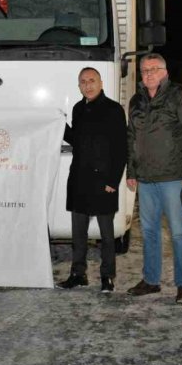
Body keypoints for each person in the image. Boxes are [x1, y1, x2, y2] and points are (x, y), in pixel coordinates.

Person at [125, 53, 182, 303]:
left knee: (179, 233)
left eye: (154, 69)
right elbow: (131, 137)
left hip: (174, 178)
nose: (149, 74)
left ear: (165, 72)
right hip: (146, 179)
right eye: (145, 70)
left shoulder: (180, 95)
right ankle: (151, 280)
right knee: (149, 232)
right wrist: (132, 171)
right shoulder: (136, 100)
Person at [57, 67, 128, 293]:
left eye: (91, 80)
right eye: (83, 82)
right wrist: (60, 125)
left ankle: (107, 277)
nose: (87, 85)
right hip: (79, 180)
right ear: (79, 86)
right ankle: (78, 274)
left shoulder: (114, 110)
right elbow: (77, 140)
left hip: (104, 181)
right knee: (78, 235)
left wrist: (113, 181)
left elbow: (121, 148)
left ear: (100, 83)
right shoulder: (78, 109)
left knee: (107, 236)